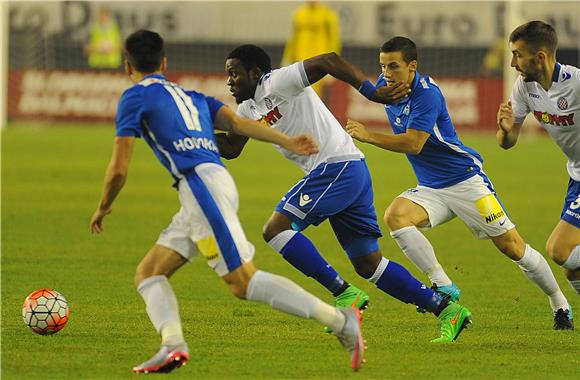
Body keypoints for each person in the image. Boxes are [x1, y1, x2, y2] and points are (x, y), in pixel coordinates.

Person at [90, 30, 366, 374]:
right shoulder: (190, 96)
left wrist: (103, 206)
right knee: (149, 273)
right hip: (206, 188)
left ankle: (341, 322)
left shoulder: (133, 98)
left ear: (126, 65)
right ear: (163, 63)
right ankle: (172, 344)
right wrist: (288, 141)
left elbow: (118, 169)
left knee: (243, 283)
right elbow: (238, 124)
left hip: (201, 189)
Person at [218, 44, 472, 343]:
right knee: (368, 264)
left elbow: (329, 60)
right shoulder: (248, 108)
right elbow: (232, 148)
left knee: (275, 230)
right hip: (348, 171)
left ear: (255, 73)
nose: (229, 82)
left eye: (234, 74)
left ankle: (343, 292)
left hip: (337, 167)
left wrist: (371, 93)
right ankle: (446, 311)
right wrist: (188, 132)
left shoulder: (278, 81)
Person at [345, 36, 574, 330]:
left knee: (512, 246)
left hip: (466, 181)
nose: (387, 73)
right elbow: (369, 87)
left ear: (412, 66)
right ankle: (442, 284)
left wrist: (369, 135)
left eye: (393, 66)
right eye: (382, 66)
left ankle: (559, 303)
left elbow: (415, 144)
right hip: (431, 187)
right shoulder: (386, 85)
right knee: (396, 216)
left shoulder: (427, 94)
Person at [498, 21, 579, 307]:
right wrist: (507, 130)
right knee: (572, 266)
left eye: (518, 55)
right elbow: (507, 142)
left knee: (559, 249)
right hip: (576, 174)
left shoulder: (576, 83)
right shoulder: (524, 87)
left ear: (540, 57)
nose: (512, 63)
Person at [281, 1, 341, 101]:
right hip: (300, 60)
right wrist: (287, 58)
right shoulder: (299, 14)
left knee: (314, 95)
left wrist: (334, 64)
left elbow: (334, 40)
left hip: (319, 61)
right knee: (299, 95)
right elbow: (293, 39)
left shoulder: (328, 15)